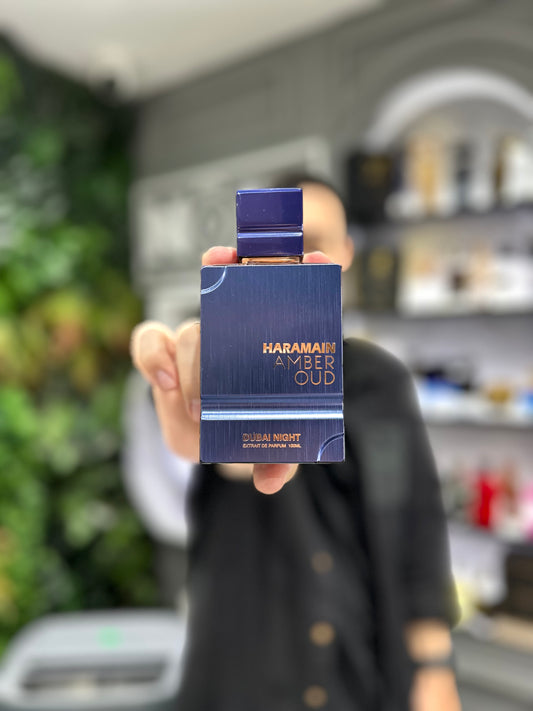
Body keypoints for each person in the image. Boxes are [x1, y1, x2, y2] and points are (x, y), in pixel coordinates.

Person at [130, 175, 461, 711]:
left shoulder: (382, 381)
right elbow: (217, 465)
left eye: (317, 243)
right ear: (252, 258)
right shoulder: (231, 370)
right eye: (289, 246)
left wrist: (433, 668)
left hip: (364, 674)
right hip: (247, 681)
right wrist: (198, 408)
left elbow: (417, 524)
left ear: (346, 252)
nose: (302, 261)